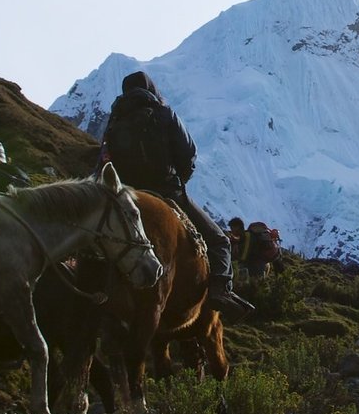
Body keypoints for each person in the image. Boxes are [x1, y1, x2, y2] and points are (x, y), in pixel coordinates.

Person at [100, 71, 253, 320]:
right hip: (167, 191)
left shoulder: (114, 122)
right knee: (218, 242)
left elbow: (106, 162)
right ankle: (220, 290)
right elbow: (189, 153)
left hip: (128, 196)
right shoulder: (164, 113)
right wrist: (178, 182)